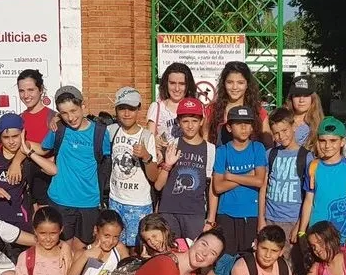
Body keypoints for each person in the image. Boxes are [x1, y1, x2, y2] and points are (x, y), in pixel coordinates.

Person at [35, 86, 112, 249]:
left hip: (89, 201)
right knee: (63, 247)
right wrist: (22, 149)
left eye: (73, 110)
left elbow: (106, 162)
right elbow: (42, 149)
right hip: (60, 200)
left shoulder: (100, 132)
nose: (70, 117)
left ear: (83, 106)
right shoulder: (58, 129)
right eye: (64, 113)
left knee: (82, 247)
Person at [155, 97, 218, 240]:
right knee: (170, 250)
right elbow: (158, 186)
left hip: (195, 213)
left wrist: (210, 219)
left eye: (194, 121)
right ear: (178, 122)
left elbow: (212, 188)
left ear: (201, 121)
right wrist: (167, 166)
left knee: (193, 249)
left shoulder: (210, 149)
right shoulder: (172, 145)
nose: (190, 126)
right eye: (185, 121)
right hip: (169, 210)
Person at [300, 117, 346, 250]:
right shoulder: (313, 167)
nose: (327, 145)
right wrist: (302, 231)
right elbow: (308, 201)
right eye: (323, 141)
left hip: (342, 234)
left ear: (342, 142)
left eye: (333, 140)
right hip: (316, 234)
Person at [106, 87, 159, 247]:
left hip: (139, 203)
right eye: (122, 108)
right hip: (115, 200)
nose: (126, 113)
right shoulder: (110, 131)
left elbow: (154, 176)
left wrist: (146, 156)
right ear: (116, 109)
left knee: (139, 247)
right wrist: (57, 118)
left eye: (131, 108)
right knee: (115, 246)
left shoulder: (146, 136)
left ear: (139, 109)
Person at [212, 106, 268, 256]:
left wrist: (231, 176)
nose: (244, 127)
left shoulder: (258, 148)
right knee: (225, 258)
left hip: (251, 214)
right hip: (226, 213)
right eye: (238, 123)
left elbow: (259, 181)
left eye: (247, 123)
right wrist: (248, 176)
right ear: (229, 128)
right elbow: (218, 187)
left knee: (248, 257)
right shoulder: (222, 151)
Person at [259, 108, 312, 253]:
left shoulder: (306, 157)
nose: (281, 136)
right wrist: (261, 219)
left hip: (293, 220)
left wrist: (299, 225)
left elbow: (309, 196)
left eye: (284, 130)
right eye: (276, 133)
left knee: (291, 262)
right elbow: (263, 188)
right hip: (270, 218)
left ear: (293, 126)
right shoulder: (270, 154)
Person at [16, 69, 57, 209]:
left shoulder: (54, 118)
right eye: (22, 91)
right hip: (25, 188)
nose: (26, 95)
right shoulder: (19, 119)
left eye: (31, 90)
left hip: (48, 187)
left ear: (41, 90)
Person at [204, 61, 272, 147]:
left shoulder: (258, 112)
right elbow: (205, 142)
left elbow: (268, 145)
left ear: (247, 84)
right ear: (224, 83)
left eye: (240, 83)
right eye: (230, 82)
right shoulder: (212, 109)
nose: (235, 87)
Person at [146, 62, 198, 149]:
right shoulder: (157, 107)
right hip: (164, 157)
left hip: (190, 156)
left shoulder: (196, 107)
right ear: (166, 84)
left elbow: (203, 138)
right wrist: (154, 141)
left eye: (182, 84)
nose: (177, 88)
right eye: (172, 83)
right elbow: (148, 139)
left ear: (188, 85)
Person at [284, 77, 323, 147]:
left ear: (313, 98)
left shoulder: (320, 123)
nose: (301, 100)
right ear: (291, 98)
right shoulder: (282, 119)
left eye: (306, 95)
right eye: (297, 95)